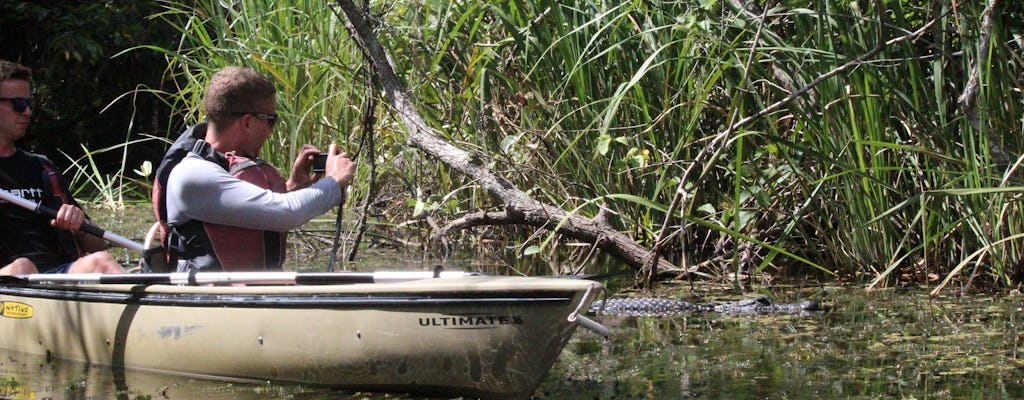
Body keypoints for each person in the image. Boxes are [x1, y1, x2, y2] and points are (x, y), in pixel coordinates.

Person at [153, 66, 356, 272]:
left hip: (246, 294)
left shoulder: (220, 169)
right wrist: (334, 181)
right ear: (248, 122)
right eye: (271, 121)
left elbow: (244, 213)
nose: (270, 132)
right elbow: (286, 213)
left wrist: (294, 187)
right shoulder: (192, 175)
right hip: (211, 299)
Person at [0, 59, 126, 275]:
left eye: (30, 104)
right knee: (23, 267)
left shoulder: (41, 167)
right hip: (10, 283)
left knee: (101, 261)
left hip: (56, 279)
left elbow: (98, 244)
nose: (28, 112)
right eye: (18, 104)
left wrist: (79, 224)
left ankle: (162, 305)